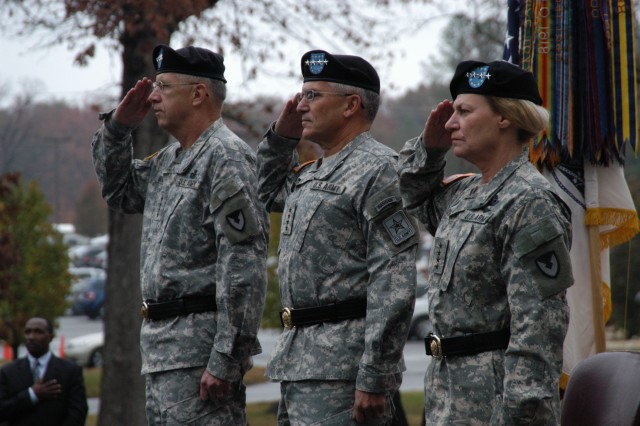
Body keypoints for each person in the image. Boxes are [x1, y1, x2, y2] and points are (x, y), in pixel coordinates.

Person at [91, 44, 269, 425]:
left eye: (164, 86)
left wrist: (226, 358)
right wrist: (119, 129)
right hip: (163, 351)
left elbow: (244, 266)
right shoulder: (171, 160)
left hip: (199, 354)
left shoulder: (225, 157)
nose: (153, 96)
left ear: (198, 94)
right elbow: (118, 189)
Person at [397, 60, 574, 424]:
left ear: (504, 118)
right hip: (449, 393)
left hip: (496, 402)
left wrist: (522, 413)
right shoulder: (465, 194)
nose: (450, 123)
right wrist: (430, 149)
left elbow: (538, 330)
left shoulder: (530, 201)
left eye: (463, 111)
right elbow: (412, 195)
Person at [257, 49, 419, 425]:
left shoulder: (378, 170)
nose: (301, 106)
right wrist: (281, 139)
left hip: (343, 370)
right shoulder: (313, 172)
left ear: (351, 105)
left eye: (312, 95)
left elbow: (392, 280)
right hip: (300, 362)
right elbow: (262, 192)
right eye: (301, 96)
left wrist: (375, 375)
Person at [0, 317, 88, 425]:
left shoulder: (70, 371)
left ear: (50, 337)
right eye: (28, 332)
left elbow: (78, 411)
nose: (31, 337)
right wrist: (32, 394)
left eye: (38, 332)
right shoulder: (8, 372)